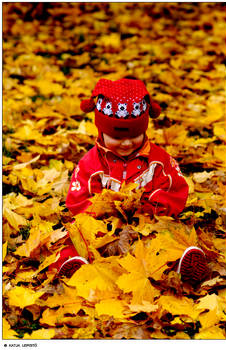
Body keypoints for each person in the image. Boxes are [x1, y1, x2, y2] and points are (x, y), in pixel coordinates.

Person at [49, 78, 208, 284]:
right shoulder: (91, 163)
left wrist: (152, 207)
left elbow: (174, 188)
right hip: (103, 229)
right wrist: (100, 210)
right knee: (74, 234)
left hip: (147, 225)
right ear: (101, 131)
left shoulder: (158, 162)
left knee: (169, 235)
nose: (126, 143)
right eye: (116, 136)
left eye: (135, 135)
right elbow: (77, 198)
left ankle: (179, 264)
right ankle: (74, 264)